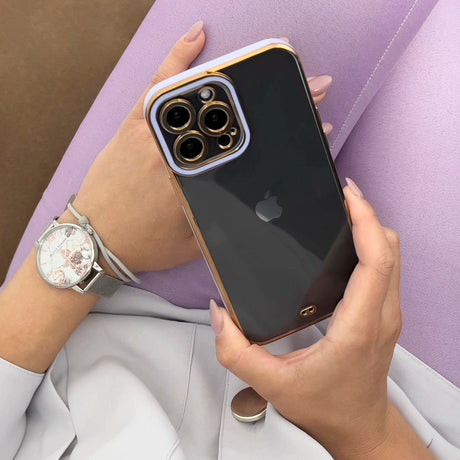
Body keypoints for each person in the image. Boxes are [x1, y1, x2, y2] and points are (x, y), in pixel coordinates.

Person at [0, 22, 442, 459]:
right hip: (407, 390)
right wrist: (365, 432)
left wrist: (96, 237)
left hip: (112, 292)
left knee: (255, 63)